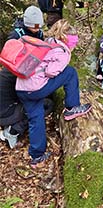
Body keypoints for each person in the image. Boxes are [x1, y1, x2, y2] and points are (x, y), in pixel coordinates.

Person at [15, 19, 92, 168]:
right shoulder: (62, 51)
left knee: (35, 118)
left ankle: (37, 156)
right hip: (35, 88)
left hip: (22, 87)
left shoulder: (47, 42)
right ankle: (72, 108)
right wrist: (57, 70)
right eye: (74, 41)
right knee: (70, 72)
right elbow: (50, 72)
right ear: (67, 39)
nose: (74, 45)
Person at [0, 5, 48, 149]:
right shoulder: (16, 36)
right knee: (43, 105)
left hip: (25, 80)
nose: (37, 29)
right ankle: (12, 131)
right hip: (5, 110)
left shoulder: (39, 33)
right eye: (34, 26)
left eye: (39, 26)